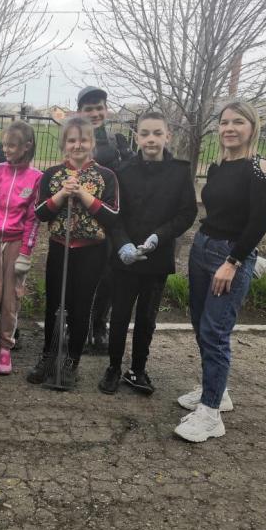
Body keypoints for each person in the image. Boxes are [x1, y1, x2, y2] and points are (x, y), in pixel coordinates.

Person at [174, 101, 266, 443]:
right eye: (224, 122)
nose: (229, 128)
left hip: (229, 257)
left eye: (238, 122)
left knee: (215, 332)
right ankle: (217, 391)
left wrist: (233, 262)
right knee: (200, 325)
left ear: (252, 127)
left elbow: (259, 223)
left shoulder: (261, 169)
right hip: (203, 247)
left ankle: (210, 415)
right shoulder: (219, 167)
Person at [98, 111, 197, 395]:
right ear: (137, 137)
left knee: (146, 318)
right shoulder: (124, 171)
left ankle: (138, 369)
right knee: (119, 316)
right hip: (126, 259)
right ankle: (113, 367)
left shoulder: (179, 172)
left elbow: (187, 213)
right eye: (144, 134)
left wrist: (159, 236)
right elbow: (114, 215)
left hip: (157, 259)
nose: (151, 139)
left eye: (157, 133)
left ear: (168, 136)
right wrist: (122, 244)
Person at [28, 116, 119, 390]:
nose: (77, 145)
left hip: (91, 252)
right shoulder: (52, 174)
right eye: (71, 140)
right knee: (55, 304)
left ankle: (71, 362)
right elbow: (40, 213)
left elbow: (112, 215)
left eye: (83, 140)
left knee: (81, 307)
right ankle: (48, 356)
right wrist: (61, 195)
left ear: (92, 143)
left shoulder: (106, 176)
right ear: (64, 144)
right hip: (60, 247)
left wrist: (82, 195)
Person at [0, 121, 42, 375]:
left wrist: (26, 252)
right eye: (4, 145)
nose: (6, 149)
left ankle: (6, 346)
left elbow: (33, 219)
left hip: (16, 243)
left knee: (11, 298)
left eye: (12, 146)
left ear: (26, 146)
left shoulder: (36, 178)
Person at [77, 86, 134, 354]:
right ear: (79, 112)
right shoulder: (75, 140)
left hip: (111, 221)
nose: (95, 113)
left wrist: (128, 161)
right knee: (81, 276)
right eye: (88, 109)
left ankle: (100, 324)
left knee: (109, 277)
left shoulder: (117, 142)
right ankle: (76, 325)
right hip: (81, 219)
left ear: (106, 110)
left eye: (99, 108)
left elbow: (128, 181)